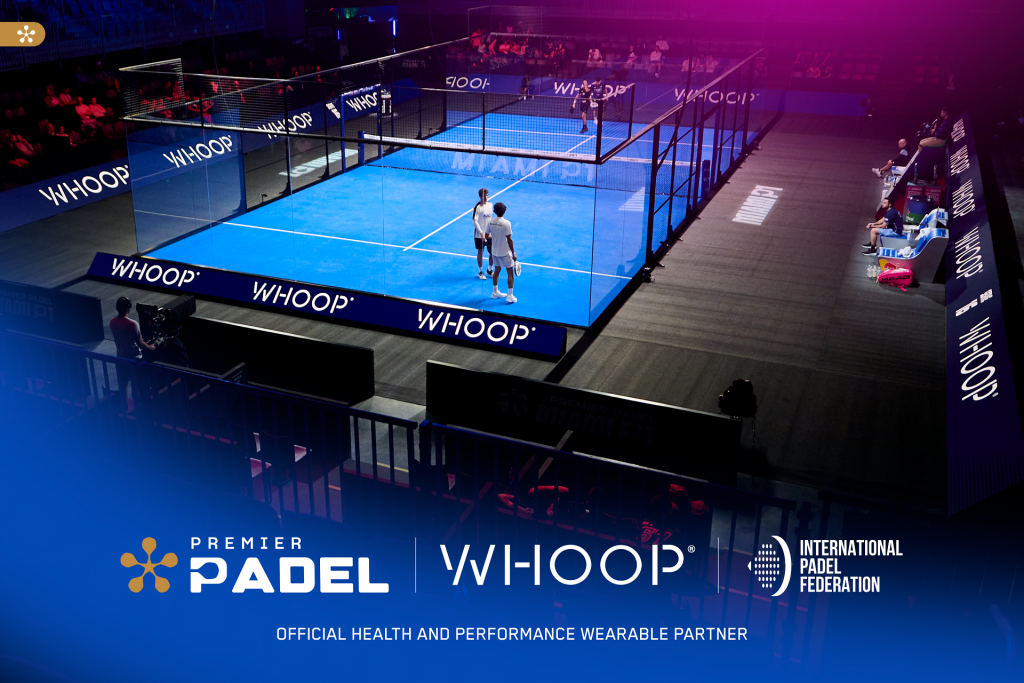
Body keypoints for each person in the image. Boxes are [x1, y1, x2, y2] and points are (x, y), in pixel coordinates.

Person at [110, 296, 156, 409]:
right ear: (128, 307)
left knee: (123, 385)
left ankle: (124, 408)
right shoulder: (132, 324)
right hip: (134, 360)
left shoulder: (112, 321)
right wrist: (151, 347)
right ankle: (139, 408)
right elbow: (141, 344)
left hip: (120, 357)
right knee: (138, 385)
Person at [485, 202, 517, 303]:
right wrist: (513, 252)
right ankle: (510, 295)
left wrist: (495, 236)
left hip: (494, 252)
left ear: (495, 211)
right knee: (510, 272)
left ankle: (495, 292)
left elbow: (486, 236)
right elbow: (509, 240)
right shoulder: (506, 223)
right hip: (505, 252)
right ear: (504, 211)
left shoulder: (490, 222)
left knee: (497, 270)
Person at [472, 188, 494, 279]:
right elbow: (474, 221)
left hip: (489, 234)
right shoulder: (477, 207)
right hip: (479, 234)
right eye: (484, 196)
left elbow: (490, 218)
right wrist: (481, 232)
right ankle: (480, 272)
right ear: (480, 196)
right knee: (480, 252)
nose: (485, 197)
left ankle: (489, 270)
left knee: (492, 252)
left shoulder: (490, 205)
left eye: (487, 195)